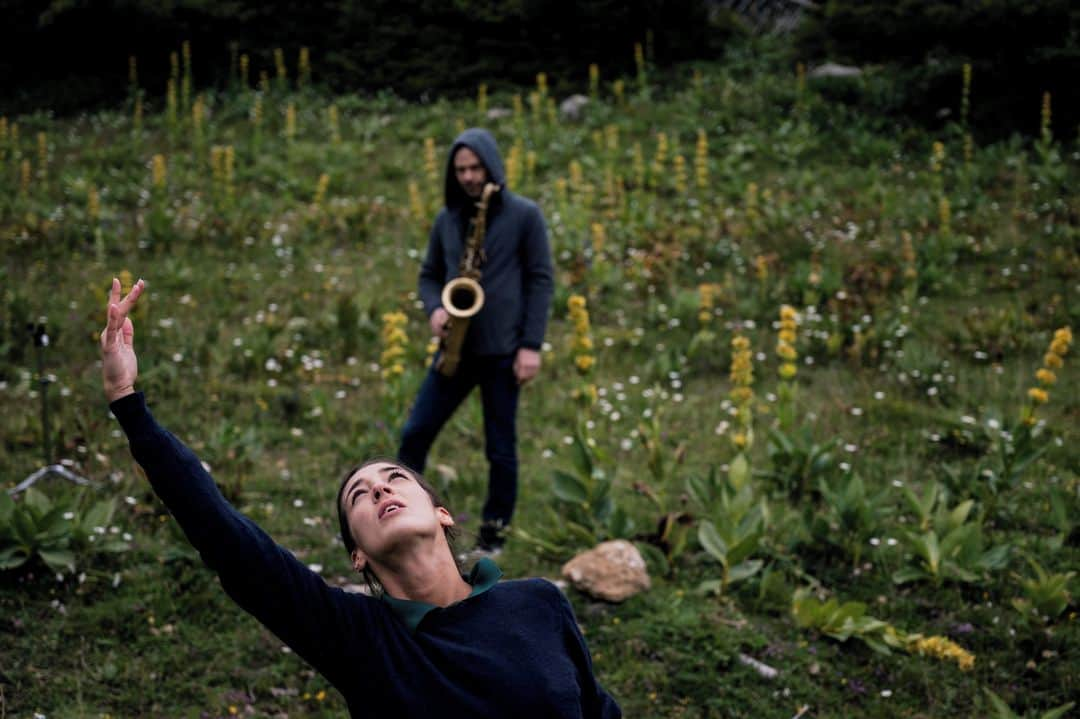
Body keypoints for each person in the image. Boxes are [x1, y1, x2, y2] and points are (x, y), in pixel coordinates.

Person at [100, 278, 619, 718]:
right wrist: (128, 403)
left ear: (442, 513)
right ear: (358, 554)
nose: (379, 487)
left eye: (395, 478)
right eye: (359, 496)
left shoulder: (537, 602)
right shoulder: (360, 639)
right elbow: (228, 541)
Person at [400, 127, 554, 553]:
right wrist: (435, 307)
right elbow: (430, 275)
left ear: (491, 166)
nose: (468, 177)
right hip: (456, 350)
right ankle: (408, 523)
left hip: (504, 353)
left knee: (500, 449)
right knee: (415, 433)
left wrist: (531, 345)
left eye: (475, 167)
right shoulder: (447, 219)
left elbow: (541, 281)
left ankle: (494, 537)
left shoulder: (525, 215)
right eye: (461, 169)